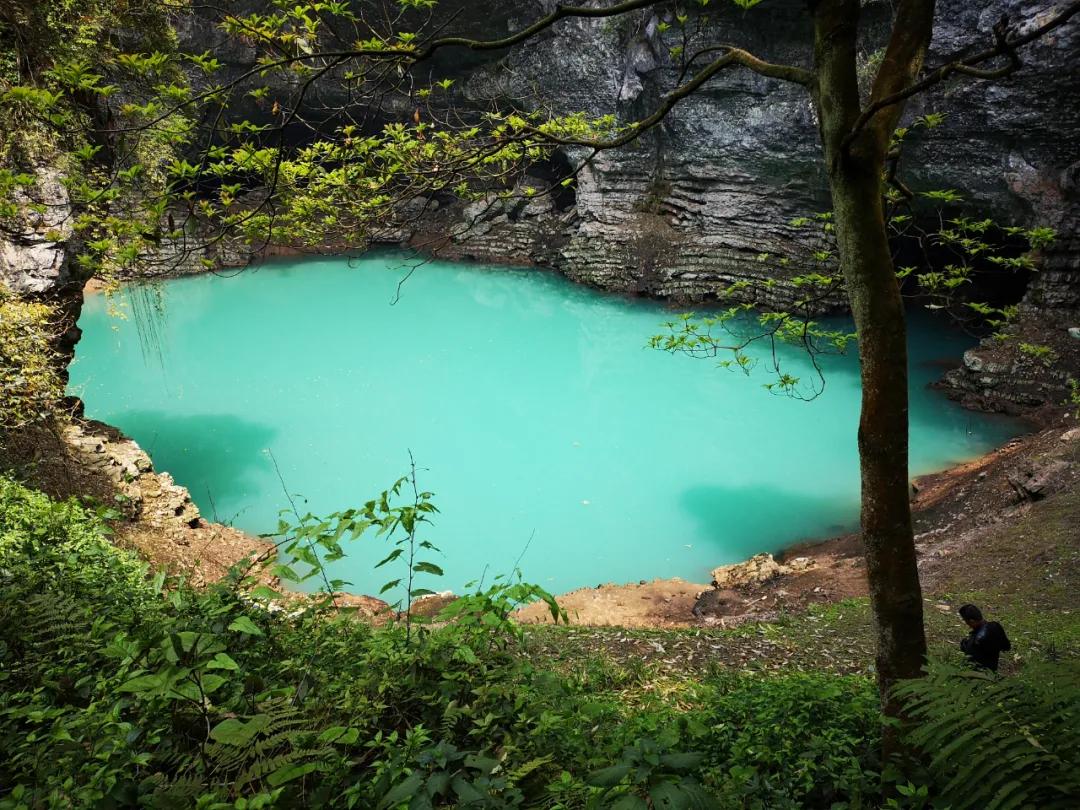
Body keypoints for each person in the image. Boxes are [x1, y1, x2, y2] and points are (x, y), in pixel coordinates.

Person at [958, 604, 1011, 672]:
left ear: (972, 621)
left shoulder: (976, 640)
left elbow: (970, 659)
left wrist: (965, 645)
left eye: (966, 622)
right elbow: (1007, 647)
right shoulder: (996, 626)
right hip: (992, 668)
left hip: (979, 674)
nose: (967, 625)